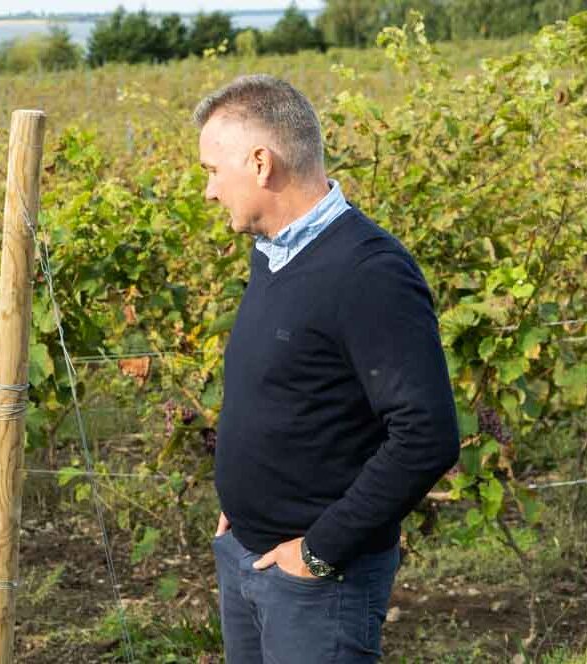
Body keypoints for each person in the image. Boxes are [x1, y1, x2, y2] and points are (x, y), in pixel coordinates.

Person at [195, 75, 460, 663]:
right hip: (245, 553)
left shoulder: (369, 272)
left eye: (213, 170)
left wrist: (318, 551)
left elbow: (427, 436)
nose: (209, 191)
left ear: (261, 163)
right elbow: (291, 390)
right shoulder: (275, 254)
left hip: (316, 582)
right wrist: (241, 504)